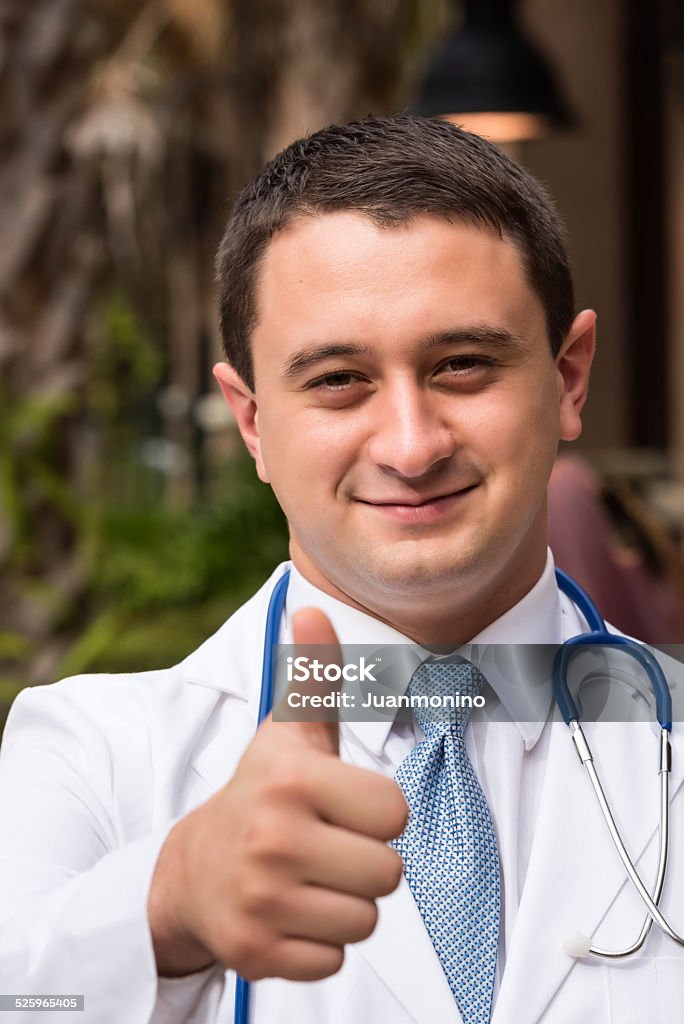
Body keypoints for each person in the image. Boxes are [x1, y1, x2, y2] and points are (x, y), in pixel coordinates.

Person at [1, 114, 683, 1024]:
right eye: (336, 379)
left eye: (463, 365)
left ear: (567, 378)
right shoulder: (93, 753)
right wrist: (162, 910)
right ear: (251, 422)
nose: (410, 445)